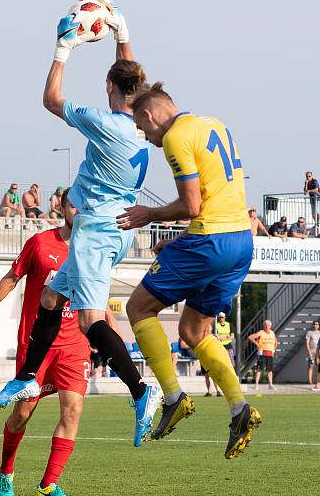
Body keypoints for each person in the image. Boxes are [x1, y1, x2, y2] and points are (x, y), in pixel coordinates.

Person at [0, 5, 162, 454]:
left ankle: (142, 392)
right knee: (50, 297)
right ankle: (24, 380)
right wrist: (123, 30)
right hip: (116, 228)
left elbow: (51, 98)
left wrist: (64, 47)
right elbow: (129, 74)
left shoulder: (104, 122)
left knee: (89, 320)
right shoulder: (142, 124)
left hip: (97, 229)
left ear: (109, 88)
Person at [118, 82, 261, 460]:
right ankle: (238, 407)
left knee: (138, 308)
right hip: (239, 244)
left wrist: (149, 215)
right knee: (194, 331)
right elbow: (216, 198)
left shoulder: (175, 138)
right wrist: (179, 239)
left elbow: (193, 204)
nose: (146, 138)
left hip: (209, 242)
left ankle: (173, 395)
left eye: (142, 128)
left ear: (149, 114)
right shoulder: (213, 124)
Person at [0, 189, 94, 496]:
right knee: (22, 413)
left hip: (74, 344)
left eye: (83, 205)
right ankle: (6, 472)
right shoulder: (40, 244)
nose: (78, 211)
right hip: (37, 344)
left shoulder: (92, 250)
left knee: (73, 410)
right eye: (72, 204)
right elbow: (11, 279)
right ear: (61, 208)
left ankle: (48, 485)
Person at [207, 312, 235, 397]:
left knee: (231, 363)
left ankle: (232, 378)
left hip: (228, 345)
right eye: (220, 317)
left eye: (222, 317)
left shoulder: (229, 324)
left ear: (225, 317)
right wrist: (225, 337)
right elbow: (216, 336)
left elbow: (232, 336)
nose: (221, 319)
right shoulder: (216, 325)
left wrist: (224, 337)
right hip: (220, 346)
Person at [248, 321, 278, 391]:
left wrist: (274, 349)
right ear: (263, 326)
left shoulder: (272, 333)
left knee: (270, 370)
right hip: (262, 353)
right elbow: (250, 337)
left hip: (270, 353)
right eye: (265, 325)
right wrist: (257, 344)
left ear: (270, 326)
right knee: (259, 369)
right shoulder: (261, 332)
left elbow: (276, 342)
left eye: (268, 325)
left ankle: (270, 385)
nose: (267, 327)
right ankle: (256, 385)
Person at [304, 321, 320, 388]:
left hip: (318, 352)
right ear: (313, 325)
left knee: (318, 367)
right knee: (311, 366)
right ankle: (310, 381)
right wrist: (309, 351)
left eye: (317, 324)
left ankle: (318, 381)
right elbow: (307, 342)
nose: (316, 325)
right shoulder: (309, 332)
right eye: (315, 324)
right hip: (312, 351)